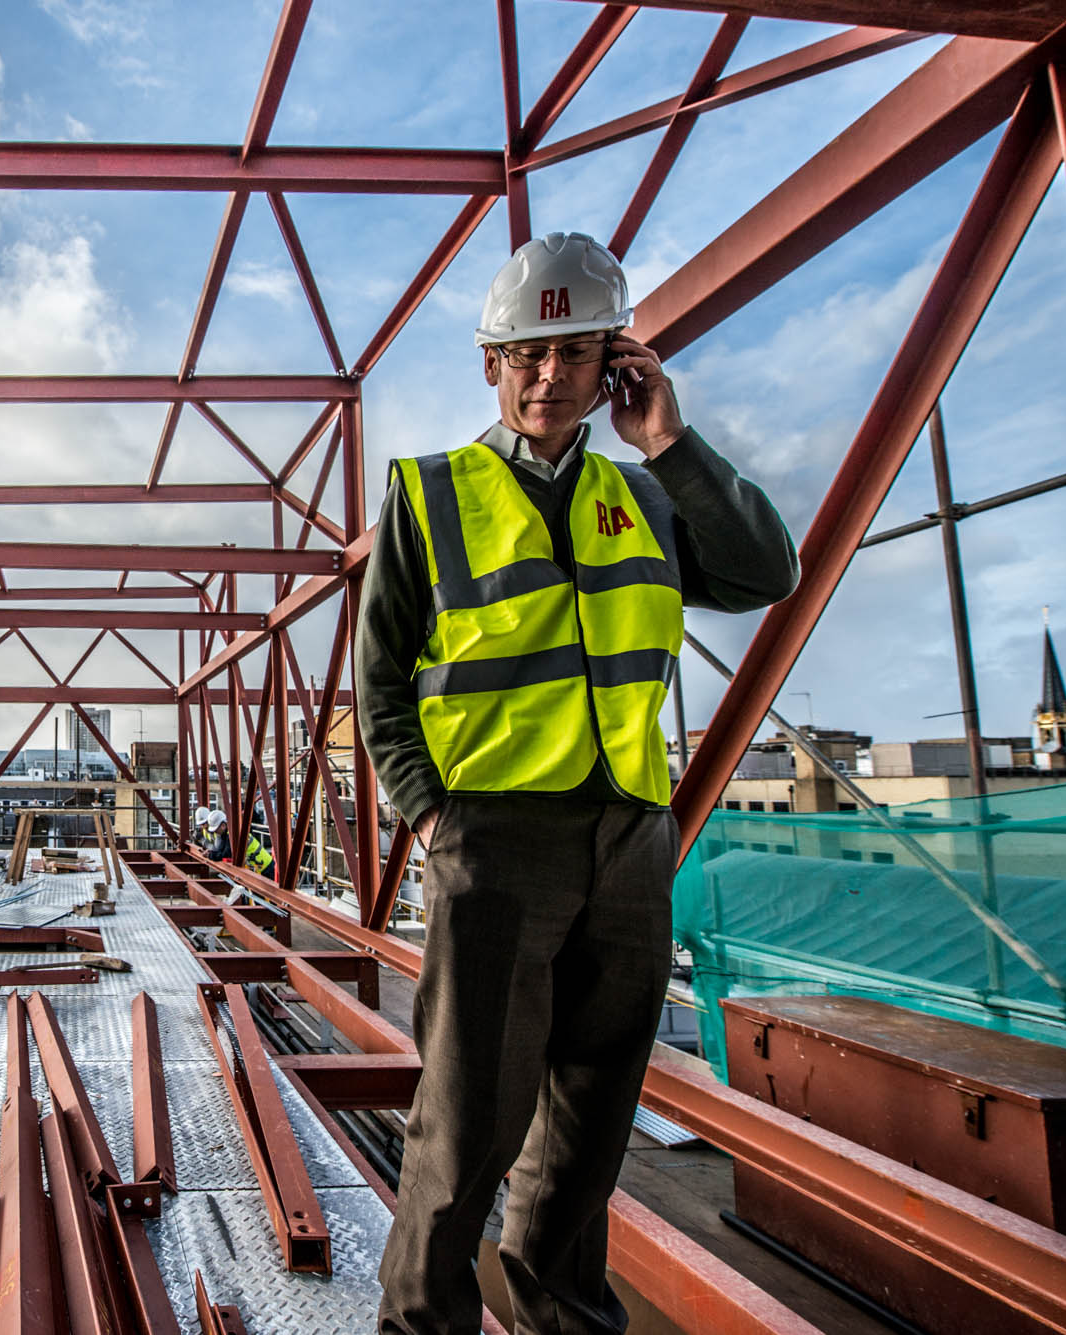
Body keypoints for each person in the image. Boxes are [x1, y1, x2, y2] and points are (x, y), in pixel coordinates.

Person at [357, 232, 797, 1335]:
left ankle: (562, 1315)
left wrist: (674, 444)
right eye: (524, 355)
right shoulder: (427, 496)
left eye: (574, 352)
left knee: (592, 1122)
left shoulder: (646, 498)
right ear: (489, 364)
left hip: (627, 841)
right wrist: (436, 817)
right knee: (467, 1124)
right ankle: (422, 1322)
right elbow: (378, 687)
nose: (547, 378)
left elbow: (762, 570)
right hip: (494, 842)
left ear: (616, 363)